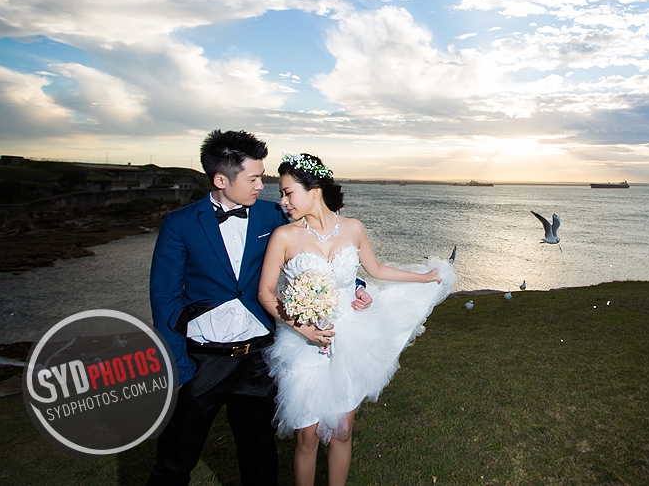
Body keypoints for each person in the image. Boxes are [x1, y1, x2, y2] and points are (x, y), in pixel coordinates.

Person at [148, 131, 373, 486]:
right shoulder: (180, 224)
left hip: (258, 361)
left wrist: (355, 285)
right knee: (175, 460)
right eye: (253, 178)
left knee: (260, 460)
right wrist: (180, 367)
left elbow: (318, 251)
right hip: (203, 361)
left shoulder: (272, 216)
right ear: (221, 180)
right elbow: (165, 299)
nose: (260, 186)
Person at [258, 153, 456, 486]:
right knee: (307, 437)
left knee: (343, 430)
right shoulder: (285, 237)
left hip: (350, 339)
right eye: (281, 194)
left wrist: (424, 277)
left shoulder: (353, 228)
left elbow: (376, 270)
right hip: (302, 344)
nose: (283, 201)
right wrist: (304, 329)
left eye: (288, 192)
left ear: (314, 190)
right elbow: (265, 292)